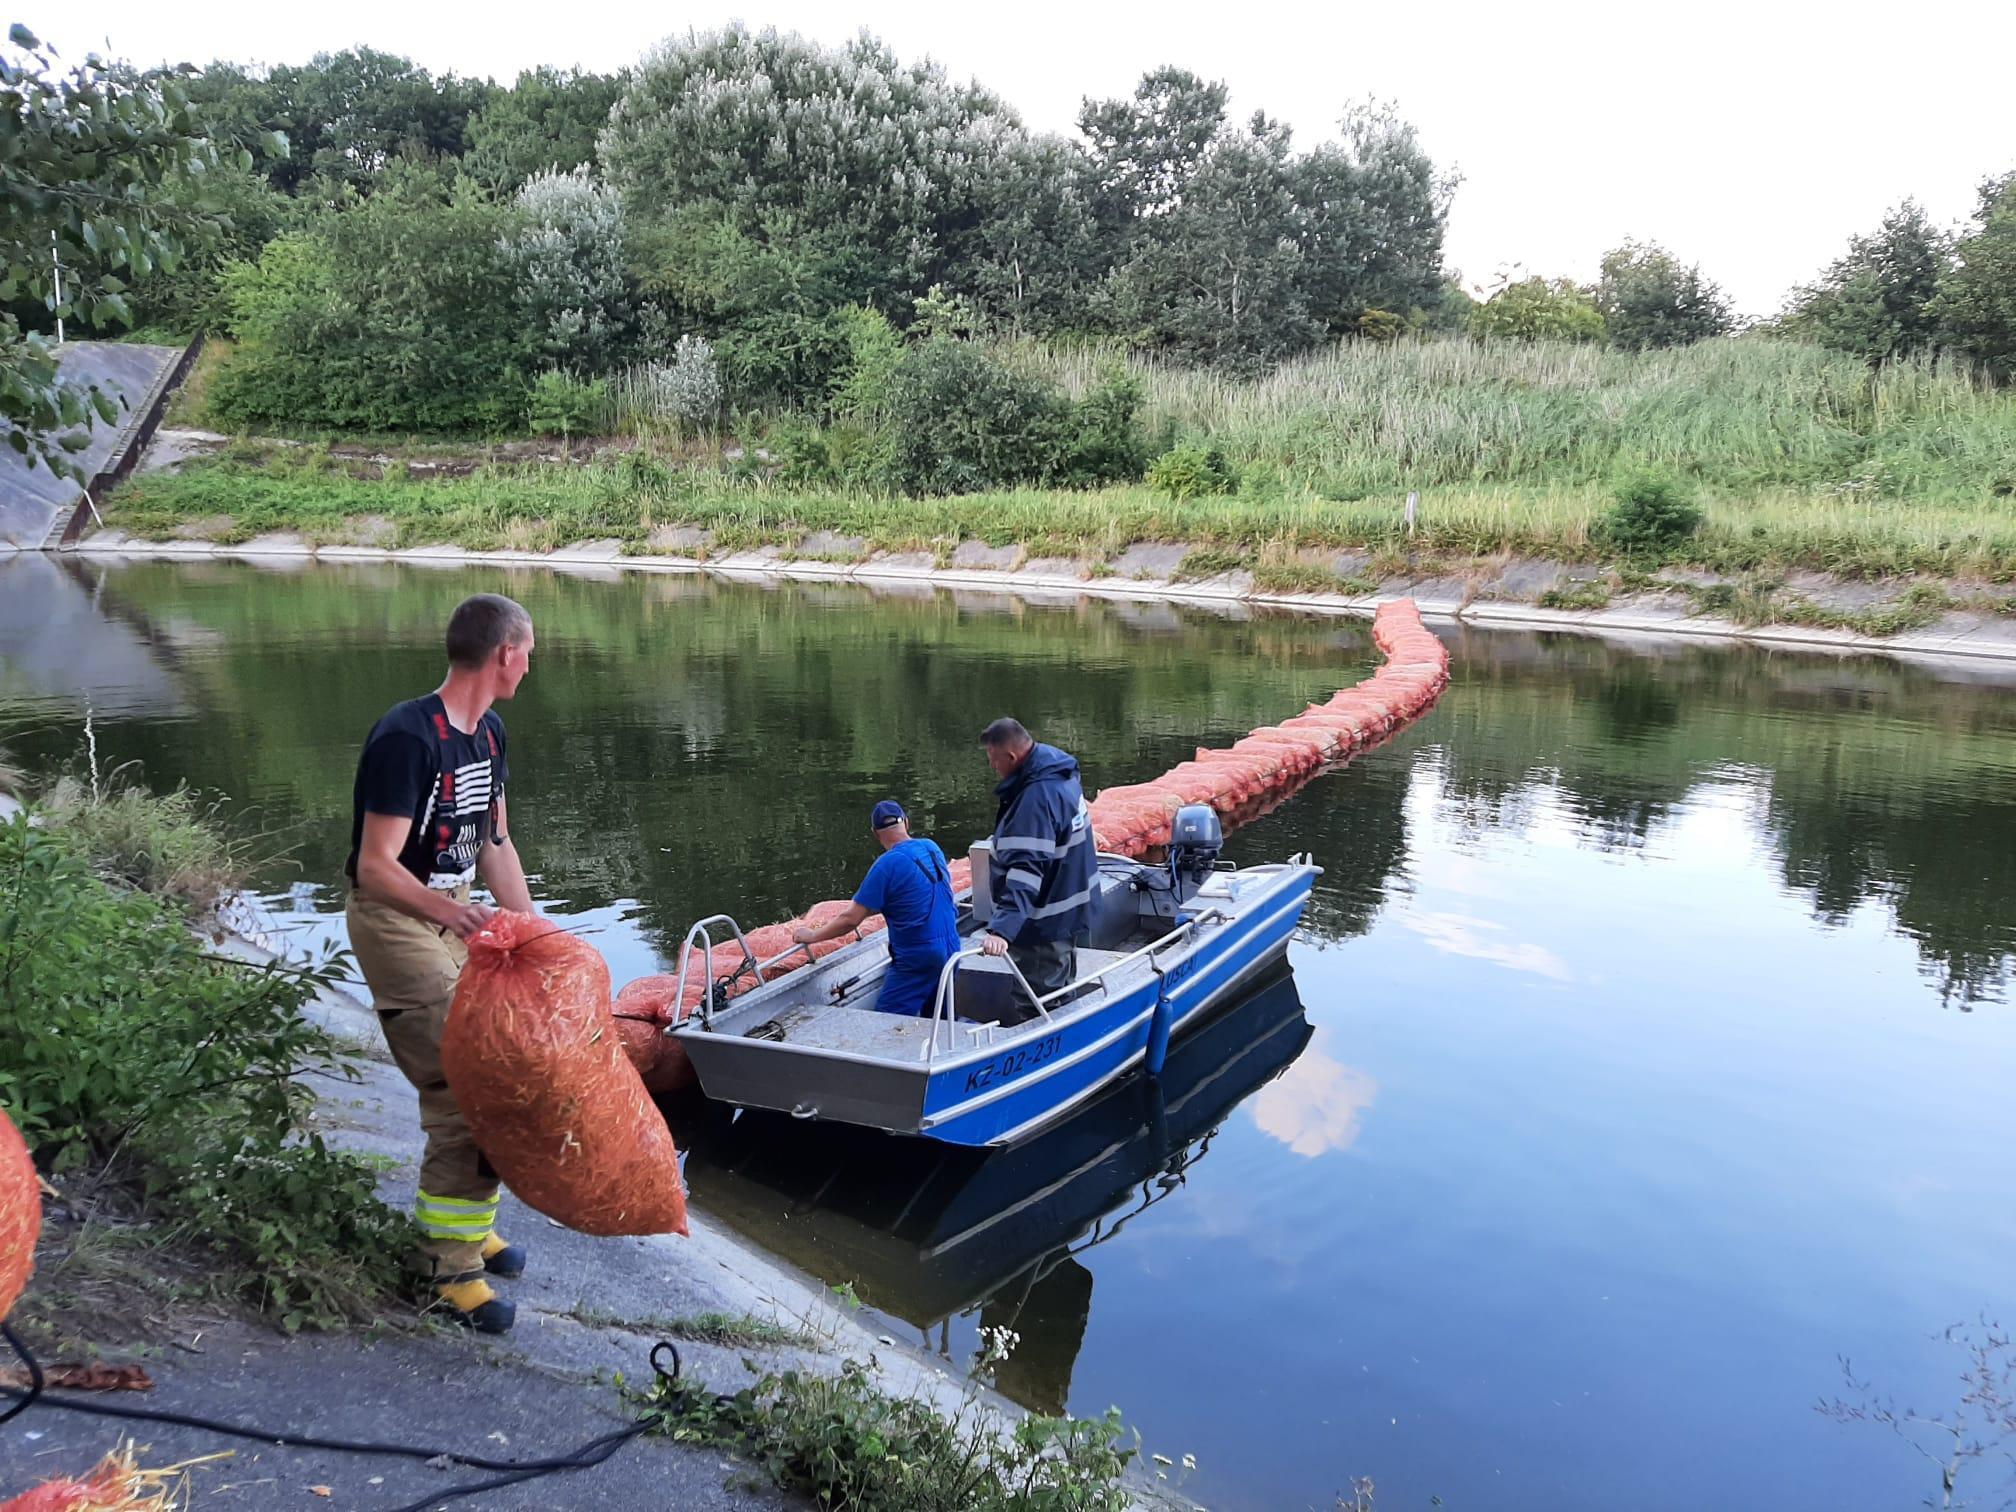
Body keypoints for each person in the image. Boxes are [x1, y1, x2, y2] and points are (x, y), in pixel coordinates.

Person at [344, 593, 538, 1334]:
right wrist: (454, 915)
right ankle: (445, 1270)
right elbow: (376, 867)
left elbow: (495, 846)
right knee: (469, 1082)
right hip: (399, 918)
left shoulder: (488, 735)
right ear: (504, 655)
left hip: (455, 912)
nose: (531, 663)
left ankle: (464, 1221)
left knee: (505, 1064)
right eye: (529, 652)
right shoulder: (407, 736)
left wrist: (534, 930)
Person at [794, 800, 960, 1018]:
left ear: (875, 833)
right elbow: (916, 894)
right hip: (952, 949)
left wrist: (812, 935)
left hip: (918, 958)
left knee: (888, 1023)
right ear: (906, 823)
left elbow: (850, 920)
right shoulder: (931, 848)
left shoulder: (886, 865)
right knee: (941, 1020)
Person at [978, 717, 1096, 998]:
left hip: (1044, 920)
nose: (993, 768)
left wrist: (1002, 931)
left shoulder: (1035, 801)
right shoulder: (1060, 771)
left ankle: (1055, 1041)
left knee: (1039, 999)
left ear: (1011, 756)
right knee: (1061, 985)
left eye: (994, 761)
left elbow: (1025, 871)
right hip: (1069, 905)